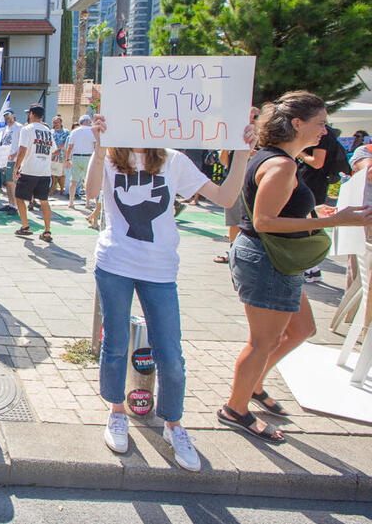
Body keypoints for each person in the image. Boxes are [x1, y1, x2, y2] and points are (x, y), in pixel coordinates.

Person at [86, 108, 258, 471]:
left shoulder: (173, 160)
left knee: (172, 356)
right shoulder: (113, 156)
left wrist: (242, 152)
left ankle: (174, 424)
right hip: (115, 263)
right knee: (115, 344)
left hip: (161, 269)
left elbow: (226, 198)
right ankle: (117, 412)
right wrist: (99, 149)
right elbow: (89, 194)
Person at [222, 91, 372, 444]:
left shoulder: (280, 159)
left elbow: (277, 213)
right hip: (267, 259)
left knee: (301, 329)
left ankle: (254, 386)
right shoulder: (281, 164)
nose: (325, 131)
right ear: (297, 123)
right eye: (320, 123)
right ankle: (235, 408)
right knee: (264, 340)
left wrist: (314, 214)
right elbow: (263, 221)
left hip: (274, 259)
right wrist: (337, 222)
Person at [297, 125, 345, 283]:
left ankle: (311, 268)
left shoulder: (322, 135)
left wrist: (299, 152)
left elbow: (317, 162)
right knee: (309, 224)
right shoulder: (325, 133)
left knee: (308, 224)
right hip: (315, 183)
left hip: (313, 183)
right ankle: (311, 268)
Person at [13, 105, 55, 243]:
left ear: (31, 114)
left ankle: (25, 226)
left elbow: (23, 149)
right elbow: (53, 149)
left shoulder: (27, 129)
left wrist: (16, 167)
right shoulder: (48, 131)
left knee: (19, 197)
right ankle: (47, 231)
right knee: (44, 200)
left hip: (29, 169)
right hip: (44, 171)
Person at [66, 114, 96, 209]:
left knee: (74, 180)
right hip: (89, 157)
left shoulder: (74, 131)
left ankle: (71, 202)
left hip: (76, 157)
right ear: (87, 122)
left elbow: (69, 147)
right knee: (88, 180)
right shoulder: (92, 131)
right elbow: (95, 145)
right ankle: (87, 203)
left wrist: (67, 159)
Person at [0, 109, 22, 214]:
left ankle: (15, 206)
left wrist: (15, 155)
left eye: (8, 115)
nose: (7, 118)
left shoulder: (19, 127)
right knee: (7, 183)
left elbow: (22, 144)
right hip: (5, 159)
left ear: (13, 115)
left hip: (13, 159)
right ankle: (11, 203)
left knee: (12, 183)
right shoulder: (6, 128)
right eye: (5, 116)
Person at [51, 116, 69, 195]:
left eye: (57, 122)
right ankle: (53, 187)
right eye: (54, 122)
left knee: (62, 174)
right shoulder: (50, 132)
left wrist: (58, 149)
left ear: (61, 122)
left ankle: (62, 188)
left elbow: (66, 142)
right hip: (52, 155)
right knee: (53, 173)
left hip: (62, 155)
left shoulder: (66, 132)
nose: (56, 124)